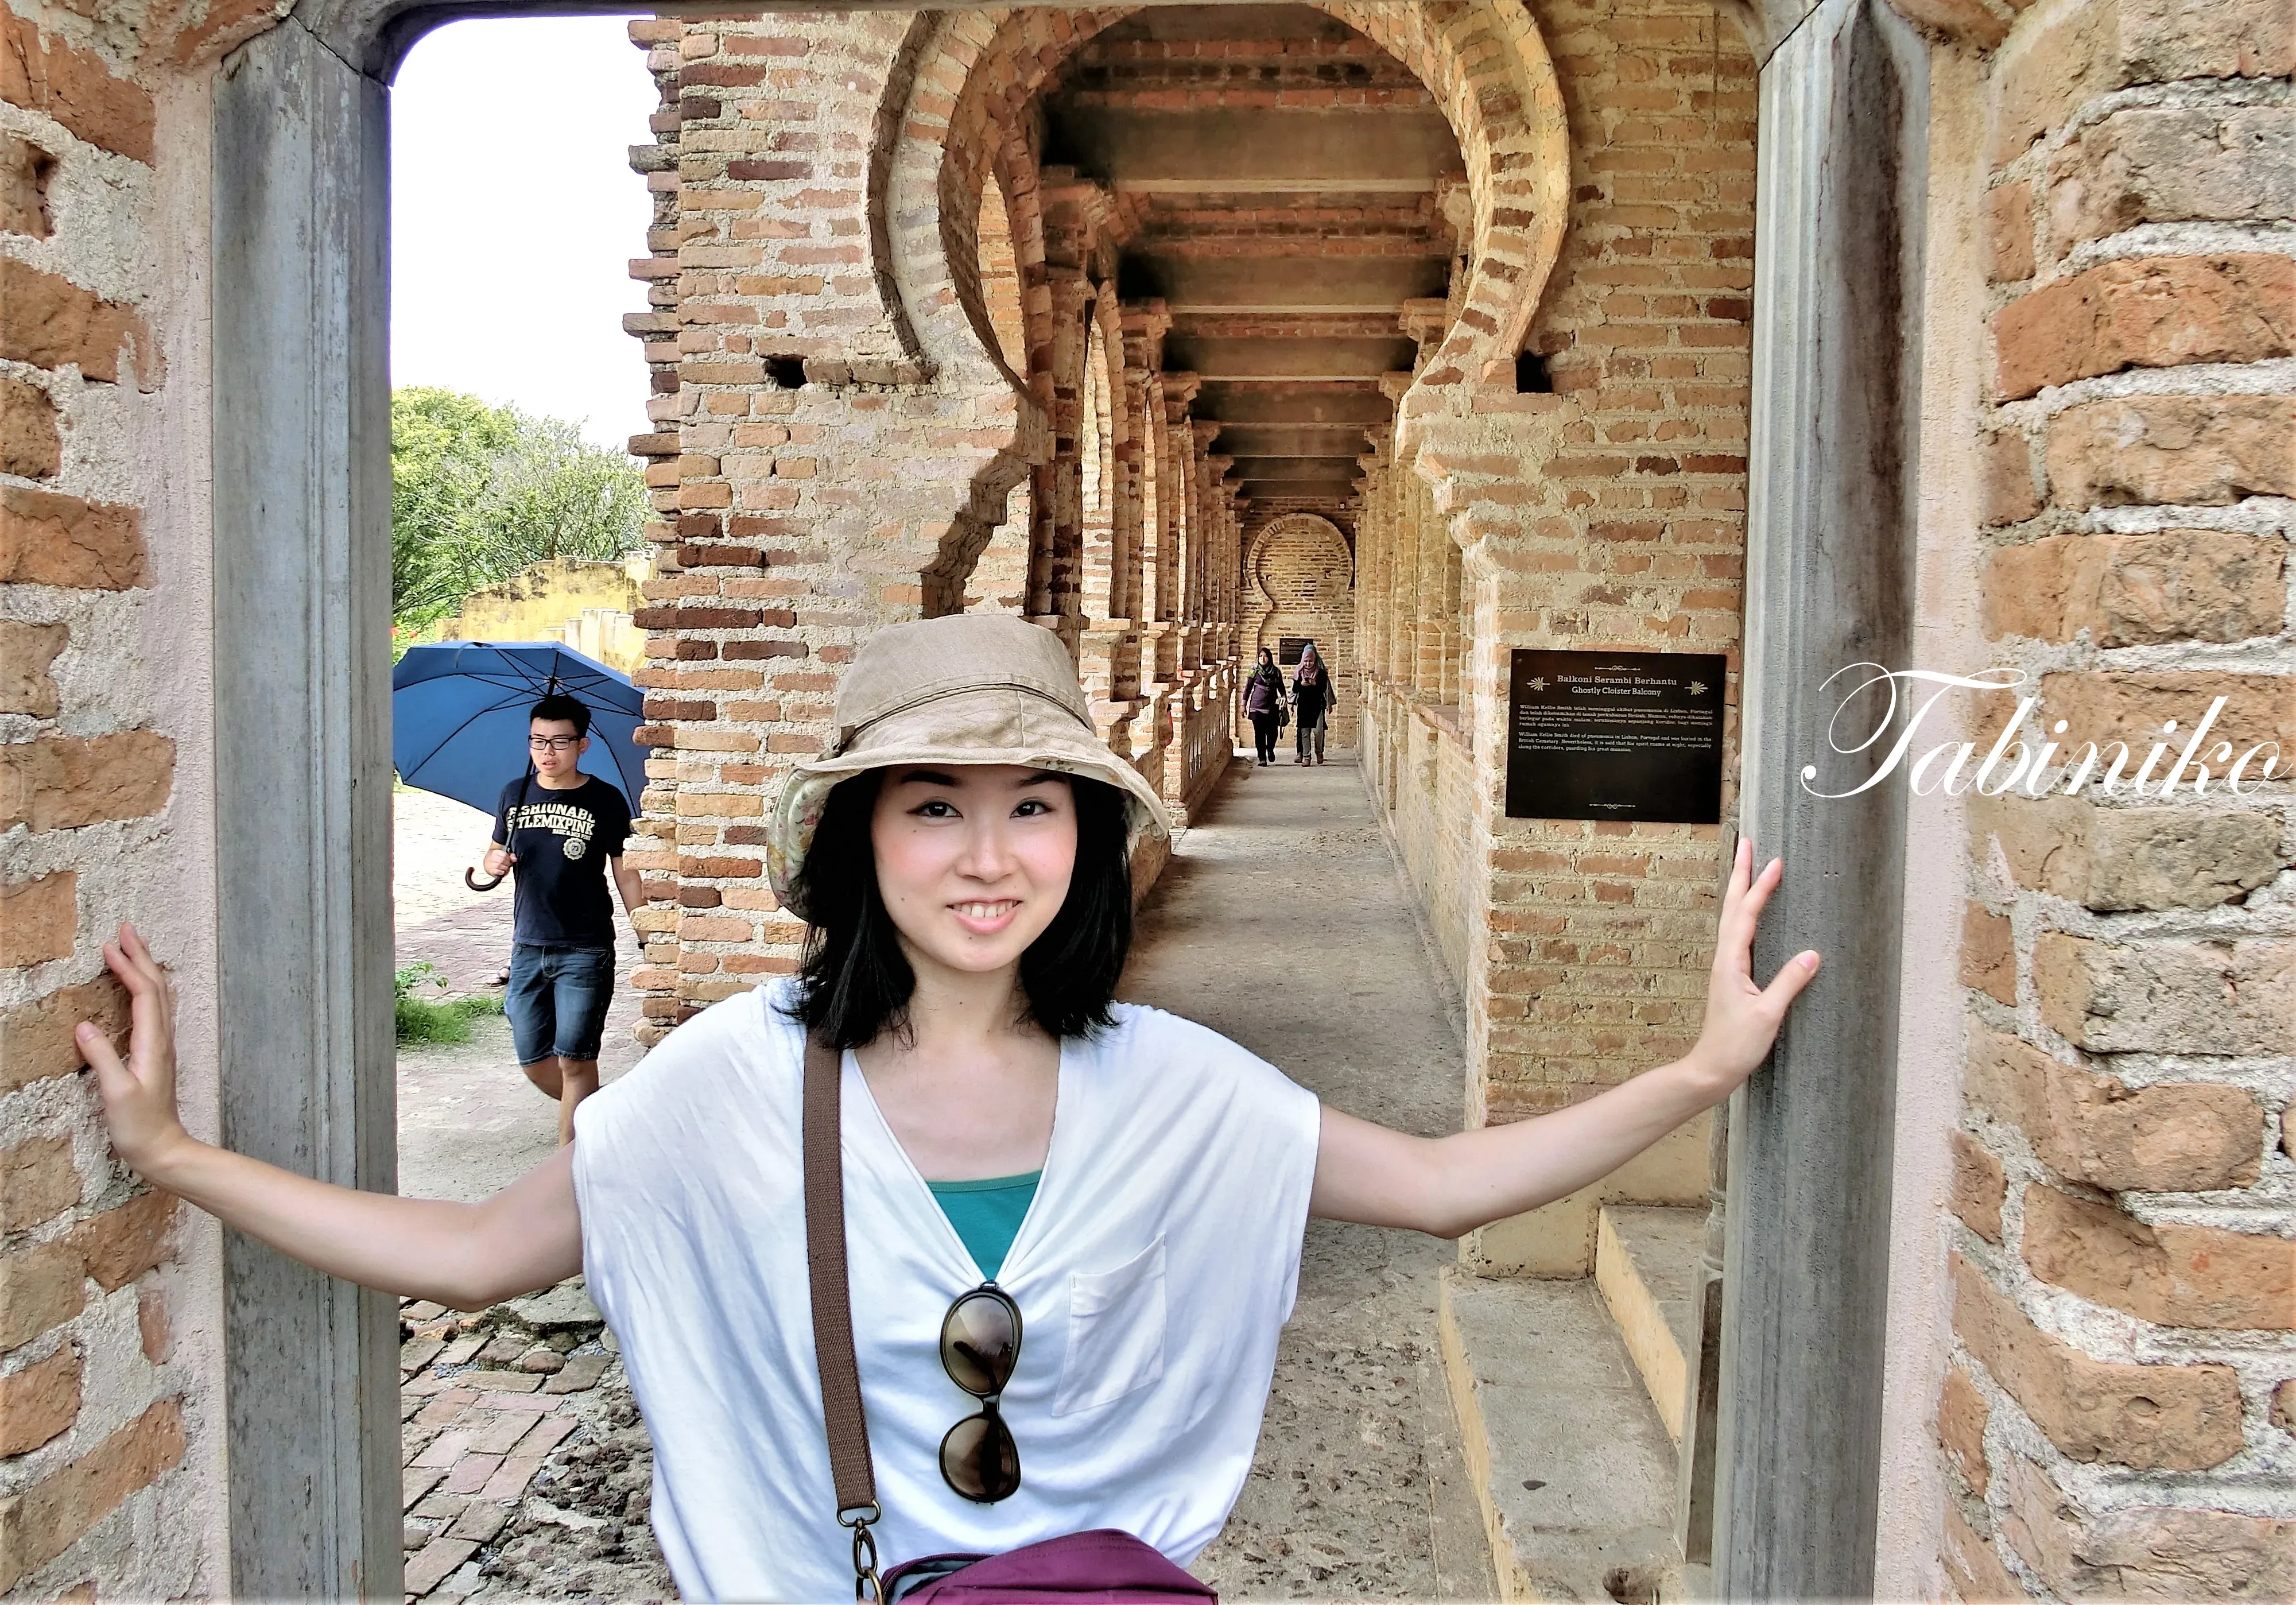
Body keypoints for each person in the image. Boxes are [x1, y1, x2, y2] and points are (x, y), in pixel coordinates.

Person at [79, 615, 1818, 1603]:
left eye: (1035, 807)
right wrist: (170, 1156)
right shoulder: (734, 1085)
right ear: (858, 840)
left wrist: (1696, 1071)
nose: (990, 858)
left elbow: (1442, 1185)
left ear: (1086, 840)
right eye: (932, 807)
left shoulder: (1173, 1089)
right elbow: (469, 1255)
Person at [479, 692, 643, 1143]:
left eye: (559, 742)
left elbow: (624, 871)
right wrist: (492, 863)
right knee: (534, 1058)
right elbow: (495, 850)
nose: (547, 753)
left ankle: (570, 1168)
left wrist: (644, 929)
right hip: (528, 944)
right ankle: (612, 1116)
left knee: (575, 1060)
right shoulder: (516, 793)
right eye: (538, 741)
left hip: (586, 946)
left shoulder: (605, 799)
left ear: (582, 746)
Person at [1240, 646, 1287, 766]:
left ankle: (1270, 749)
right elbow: (1248, 688)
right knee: (1259, 733)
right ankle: (1262, 757)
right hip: (1256, 706)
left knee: (1272, 732)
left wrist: (1284, 698)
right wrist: (1243, 705)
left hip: (1272, 706)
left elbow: (1281, 688)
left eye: (1265, 656)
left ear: (1269, 658)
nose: (1263, 658)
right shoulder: (1254, 671)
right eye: (1261, 656)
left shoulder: (1276, 672)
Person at [1289, 642, 1333, 765]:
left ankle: (1319, 752)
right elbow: (1295, 689)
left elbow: (1324, 688)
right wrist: (1300, 684)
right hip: (1303, 706)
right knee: (1304, 732)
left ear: (1315, 660)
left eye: (1311, 661)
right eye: (1306, 661)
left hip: (1317, 706)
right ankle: (1307, 757)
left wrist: (1315, 684)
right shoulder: (1299, 672)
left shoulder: (1321, 673)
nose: (1308, 664)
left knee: (1319, 731)